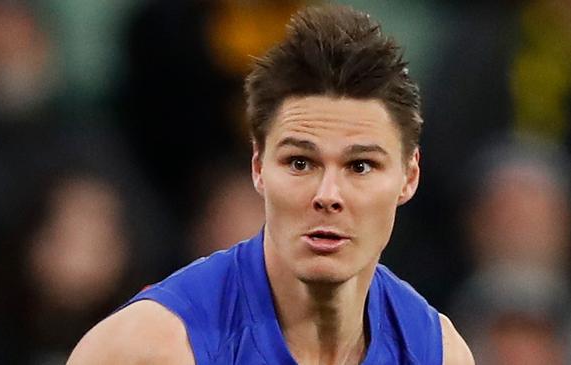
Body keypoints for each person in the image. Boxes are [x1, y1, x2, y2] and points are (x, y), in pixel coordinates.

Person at [67, 5, 474, 364]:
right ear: (258, 167)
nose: (327, 195)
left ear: (410, 177)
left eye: (361, 166)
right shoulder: (148, 348)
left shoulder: (437, 353)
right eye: (300, 162)